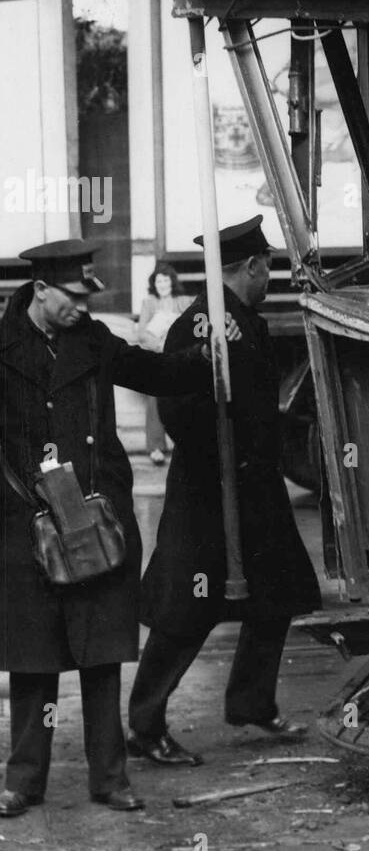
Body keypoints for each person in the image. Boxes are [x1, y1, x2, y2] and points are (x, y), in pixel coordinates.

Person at [0, 240, 226, 819]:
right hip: (25, 524)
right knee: (33, 658)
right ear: (41, 290)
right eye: (73, 297)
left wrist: (208, 351)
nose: (82, 306)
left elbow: (156, 372)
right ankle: (23, 780)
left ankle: (111, 778)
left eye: (86, 296)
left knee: (101, 652)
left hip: (96, 519)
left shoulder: (93, 342)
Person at [127, 216, 321, 766]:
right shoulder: (202, 325)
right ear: (253, 267)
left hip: (255, 487)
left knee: (278, 593)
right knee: (185, 609)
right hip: (210, 492)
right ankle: (145, 724)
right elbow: (176, 405)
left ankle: (251, 702)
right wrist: (222, 454)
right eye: (267, 269)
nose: (268, 278)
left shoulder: (245, 321)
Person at [137, 261, 192, 465]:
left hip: (180, 355)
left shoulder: (184, 301)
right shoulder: (149, 303)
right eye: (158, 281)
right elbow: (141, 333)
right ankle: (156, 447)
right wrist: (160, 346)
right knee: (154, 397)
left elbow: (194, 324)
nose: (162, 284)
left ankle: (186, 443)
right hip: (158, 357)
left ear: (172, 282)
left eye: (165, 280)